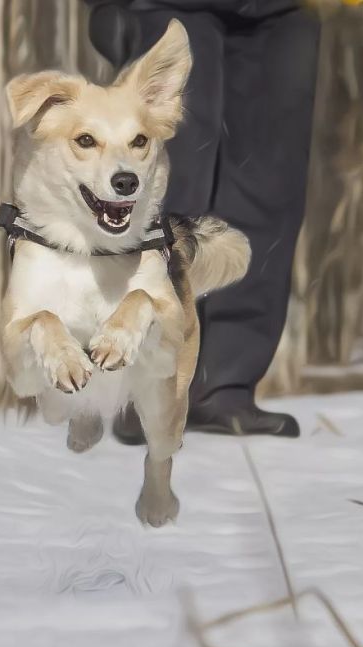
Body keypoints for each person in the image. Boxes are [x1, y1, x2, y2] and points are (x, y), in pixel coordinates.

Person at [86, 0, 319, 441]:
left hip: (284, 11)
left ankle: (224, 386)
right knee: (170, 181)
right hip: (167, 6)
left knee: (268, 184)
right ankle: (145, 384)